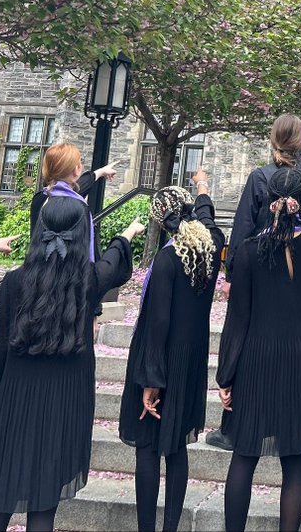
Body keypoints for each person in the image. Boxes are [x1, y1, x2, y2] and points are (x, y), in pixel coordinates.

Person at [0, 196, 144, 532]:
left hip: (16, 399)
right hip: (64, 402)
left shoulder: (13, 283)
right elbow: (112, 263)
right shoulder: (88, 283)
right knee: (43, 508)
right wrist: (127, 234)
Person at [217, 150, 301, 532]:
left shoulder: (249, 252)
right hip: (300, 357)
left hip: (256, 357)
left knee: (244, 455)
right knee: (294, 458)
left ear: (268, 202)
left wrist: (226, 375)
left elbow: (237, 320)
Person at [119, 178, 224, 532]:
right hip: (191, 360)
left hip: (161, 360)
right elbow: (210, 222)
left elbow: (158, 323)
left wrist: (151, 379)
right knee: (177, 448)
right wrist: (204, 188)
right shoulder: (210, 249)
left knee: (148, 449)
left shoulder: (167, 259)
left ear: (160, 222)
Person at [207, 114, 301, 451]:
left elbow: (242, 227)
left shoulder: (260, 177)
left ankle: (233, 423)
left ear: (272, 142)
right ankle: (283, 424)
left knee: (244, 340)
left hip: (258, 268)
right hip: (295, 273)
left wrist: (232, 273)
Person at [29, 141, 116, 248]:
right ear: (76, 169)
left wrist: (101, 172)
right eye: (81, 161)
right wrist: (125, 238)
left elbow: (79, 186)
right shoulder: (71, 205)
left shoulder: (40, 198)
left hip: (36, 263)